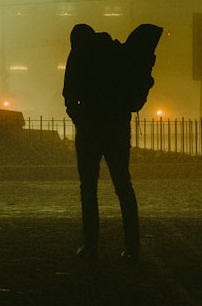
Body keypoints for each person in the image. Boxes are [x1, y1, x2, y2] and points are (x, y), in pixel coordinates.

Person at [62, 23, 140, 261]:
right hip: (116, 128)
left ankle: (91, 245)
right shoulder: (115, 53)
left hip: (89, 129)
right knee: (123, 186)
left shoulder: (78, 55)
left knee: (88, 188)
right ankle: (132, 246)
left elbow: (69, 94)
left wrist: (79, 118)